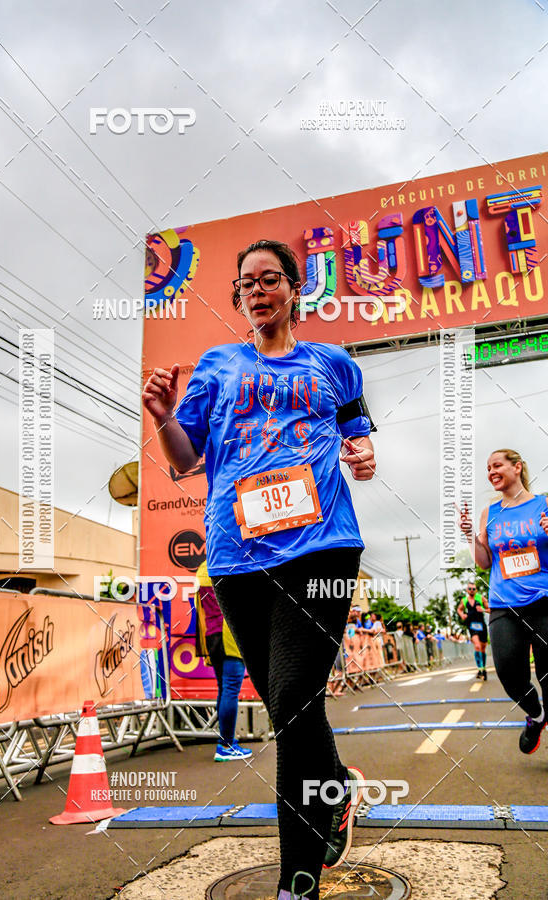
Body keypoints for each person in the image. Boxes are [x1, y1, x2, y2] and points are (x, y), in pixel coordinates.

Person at [143, 238, 376, 900]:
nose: (257, 290)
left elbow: (359, 438)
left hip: (323, 547)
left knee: (296, 700)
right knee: (286, 707)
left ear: (293, 289)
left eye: (269, 278)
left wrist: (363, 460)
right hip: (237, 558)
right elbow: (183, 460)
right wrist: (163, 417)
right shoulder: (218, 364)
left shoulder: (334, 364)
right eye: (245, 284)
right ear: (240, 299)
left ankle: (295, 881)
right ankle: (337, 790)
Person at [459, 448, 548, 754]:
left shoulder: (543, 505)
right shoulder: (490, 512)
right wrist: (470, 535)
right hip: (504, 604)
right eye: (488, 468)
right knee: (510, 672)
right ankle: (536, 716)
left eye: (497, 465)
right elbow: (484, 562)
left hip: (543, 600)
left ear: (517, 467)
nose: (491, 471)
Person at [194, 560, 253, 761]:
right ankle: (226, 745)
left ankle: (226, 742)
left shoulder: (203, 569)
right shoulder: (231, 564)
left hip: (211, 635)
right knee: (230, 690)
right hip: (229, 634)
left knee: (223, 688)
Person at [456, 581, 490, 680]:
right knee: (477, 646)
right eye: (470, 589)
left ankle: (483, 669)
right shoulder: (464, 600)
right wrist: (462, 615)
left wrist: (483, 610)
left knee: (483, 647)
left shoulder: (481, 598)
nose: (471, 591)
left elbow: (490, 609)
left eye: (473, 589)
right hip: (472, 625)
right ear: (467, 590)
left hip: (481, 625)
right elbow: (459, 609)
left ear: (476, 590)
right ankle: (479, 669)